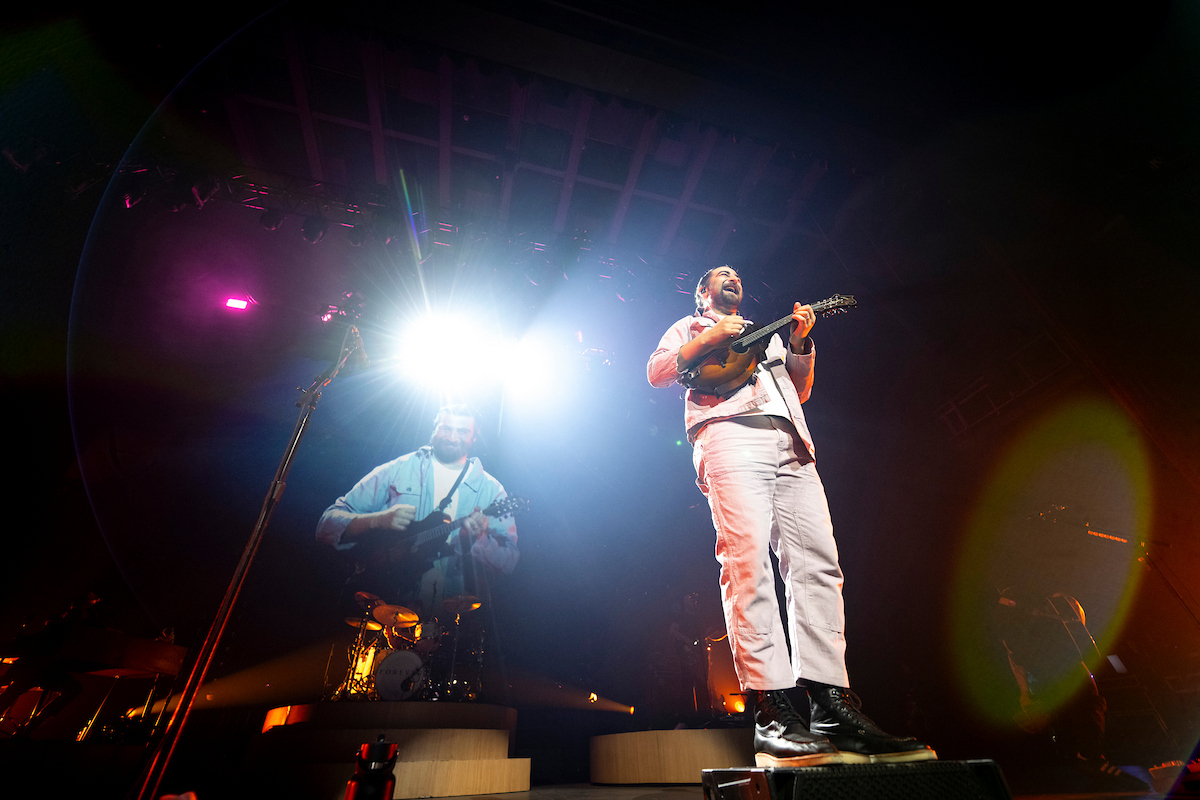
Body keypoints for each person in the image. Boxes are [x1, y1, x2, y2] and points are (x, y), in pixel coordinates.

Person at [646, 265, 935, 766]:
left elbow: (799, 391)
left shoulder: (768, 335)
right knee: (748, 563)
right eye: (721, 274)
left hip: (791, 442)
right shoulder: (688, 327)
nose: (732, 277)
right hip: (729, 434)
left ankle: (831, 705)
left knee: (819, 566)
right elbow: (657, 371)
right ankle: (773, 710)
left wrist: (800, 346)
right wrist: (709, 337)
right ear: (702, 292)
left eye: (737, 274)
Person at [317, 405, 518, 615]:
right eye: (446, 428)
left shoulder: (492, 490)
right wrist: (377, 520)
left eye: (462, 431)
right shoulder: (398, 469)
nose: (452, 438)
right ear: (434, 429)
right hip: (384, 603)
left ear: (474, 437)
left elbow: (509, 561)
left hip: (449, 617)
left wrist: (478, 541)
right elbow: (326, 524)